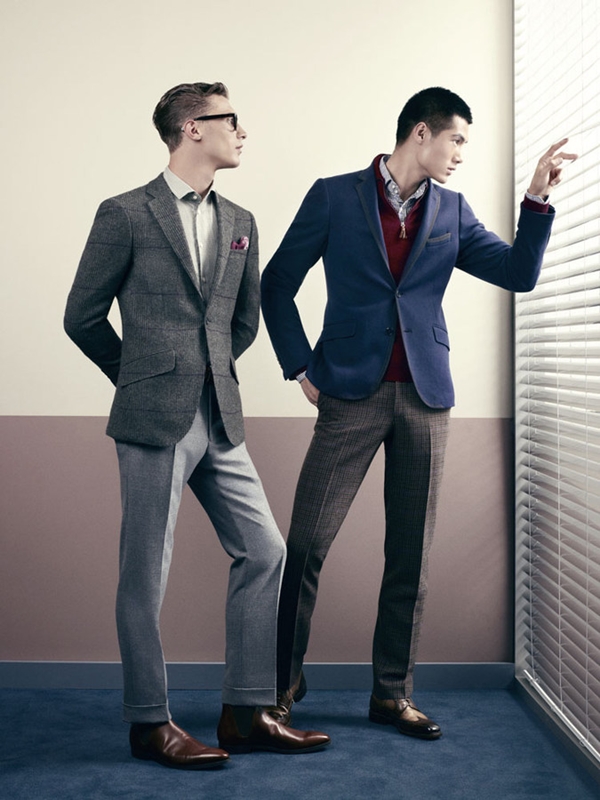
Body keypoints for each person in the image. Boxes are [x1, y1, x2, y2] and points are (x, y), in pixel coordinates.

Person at [260, 86, 577, 740]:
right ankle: (279, 686)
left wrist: (537, 199)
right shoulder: (334, 196)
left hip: (426, 397)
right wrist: (300, 366)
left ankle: (392, 694)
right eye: (456, 139)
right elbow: (276, 282)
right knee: (306, 544)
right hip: (349, 392)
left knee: (410, 555)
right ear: (421, 133)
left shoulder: (453, 211)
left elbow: (518, 273)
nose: (461, 154)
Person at [64, 82, 329, 770]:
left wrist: (208, 371)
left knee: (264, 550)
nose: (241, 131)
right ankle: (149, 722)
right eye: (230, 119)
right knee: (145, 573)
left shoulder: (241, 219)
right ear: (192, 128)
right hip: (152, 417)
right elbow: (81, 316)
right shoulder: (125, 213)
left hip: (220, 414)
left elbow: (244, 319)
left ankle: (246, 711)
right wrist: (142, 375)